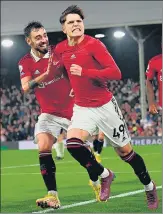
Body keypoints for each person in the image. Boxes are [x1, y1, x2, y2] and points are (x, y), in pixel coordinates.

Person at [55, 5, 159, 209]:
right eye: (71, 22)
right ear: (64, 28)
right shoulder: (60, 49)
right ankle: (105, 175)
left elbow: (115, 73)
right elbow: (66, 71)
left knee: (126, 154)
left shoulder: (94, 45)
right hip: (82, 108)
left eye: (79, 21)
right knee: (73, 144)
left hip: (105, 106)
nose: (76, 24)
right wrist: (72, 87)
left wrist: (85, 72)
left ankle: (149, 187)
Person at [18, 21, 74, 209]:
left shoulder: (59, 52)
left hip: (71, 111)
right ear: (29, 41)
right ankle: (53, 196)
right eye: (38, 37)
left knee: (82, 150)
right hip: (48, 113)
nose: (43, 40)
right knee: (43, 148)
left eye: (44, 35)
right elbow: (25, 87)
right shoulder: (24, 62)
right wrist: (45, 75)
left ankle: (103, 174)